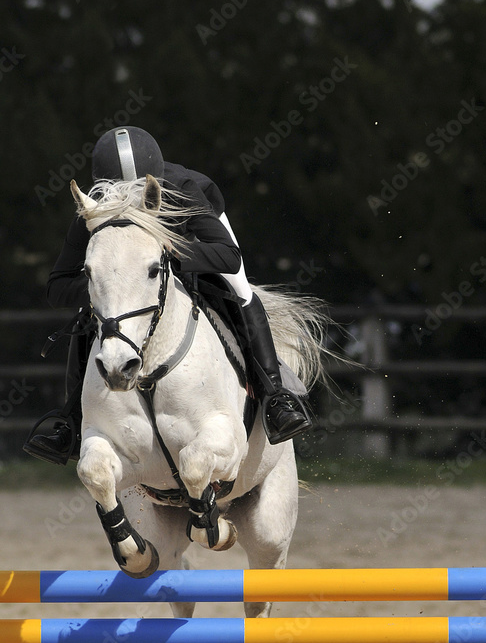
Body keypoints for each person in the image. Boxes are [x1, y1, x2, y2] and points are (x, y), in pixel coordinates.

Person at [24, 126, 310, 464]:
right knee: (96, 315)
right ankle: (71, 422)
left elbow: (229, 257)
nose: (128, 202)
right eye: (120, 195)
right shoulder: (96, 208)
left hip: (193, 242)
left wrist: (168, 259)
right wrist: (107, 287)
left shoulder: (183, 190)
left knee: (241, 292)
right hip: (136, 274)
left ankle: (275, 397)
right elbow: (57, 287)